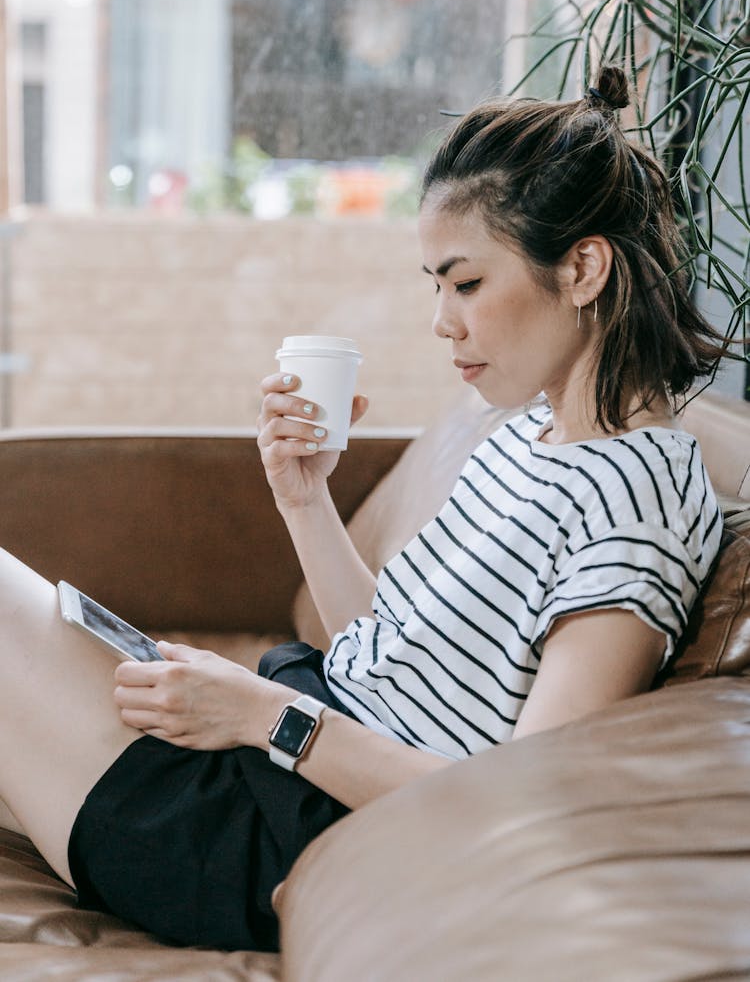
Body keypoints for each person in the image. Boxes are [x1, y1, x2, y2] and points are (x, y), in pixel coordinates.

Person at [0, 66, 728, 952]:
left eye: (464, 283)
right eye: (434, 285)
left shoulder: (636, 497)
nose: (441, 322)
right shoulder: (534, 429)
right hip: (282, 754)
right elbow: (388, 654)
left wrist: (263, 715)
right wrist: (304, 497)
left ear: (581, 267)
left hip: (277, 836)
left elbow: (518, 796)